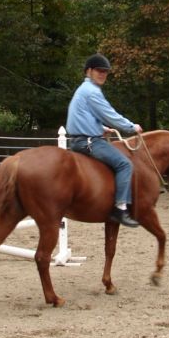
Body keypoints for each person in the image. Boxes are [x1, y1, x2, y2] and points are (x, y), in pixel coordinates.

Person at [66, 53, 143, 228]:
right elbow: (110, 115)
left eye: (105, 72)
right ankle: (120, 208)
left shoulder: (83, 90)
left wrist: (102, 129)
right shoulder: (92, 92)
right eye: (99, 70)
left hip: (83, 139)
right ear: (89, 71)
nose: (103, 74)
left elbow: (81, 116)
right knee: (125, 164)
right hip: (89, 142)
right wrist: (132, 127)